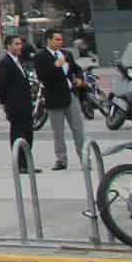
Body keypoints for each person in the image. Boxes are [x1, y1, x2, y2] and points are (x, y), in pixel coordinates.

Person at [35, 29, 88, 171]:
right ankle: (61, 160)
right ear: (49, 40)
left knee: (78, 128)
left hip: (71, 95)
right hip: (54, 98)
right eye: (57, 39)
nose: (60, 42)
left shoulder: (66, 54)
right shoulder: (41, 57)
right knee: (58, 131)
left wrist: (79, 78)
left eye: (61, 39)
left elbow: (77, 69)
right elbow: (42, 76)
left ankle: (84, 158)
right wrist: (55, 66)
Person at [0, 34, 37, 174]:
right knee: (18, 134)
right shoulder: (5, 63)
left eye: (20, 44)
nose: (20, 47)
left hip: (25, 104)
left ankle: (27, 162)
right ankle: (20, 163)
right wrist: (4, 103)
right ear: (9, 46)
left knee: (28, 133)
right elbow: (1, 86)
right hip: (15, 105)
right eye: (17, 44)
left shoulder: (18, 61)